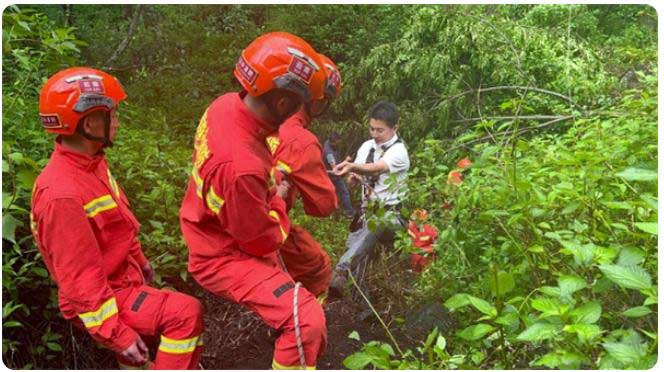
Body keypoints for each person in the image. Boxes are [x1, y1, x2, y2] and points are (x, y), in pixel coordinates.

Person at [31, 67, 204, 369]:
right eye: (112, 114)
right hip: (101, 296)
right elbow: (80, 281)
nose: (118, 122)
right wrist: (117, 334)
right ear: (89, 122)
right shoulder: (61, 195)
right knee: (185, 313)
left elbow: (117, 224)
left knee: (143, 351)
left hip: (119, 279)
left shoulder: (91, 164)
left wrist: (140, 259)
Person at [179, 32, 328, 370]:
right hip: (222, 254)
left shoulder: (224, 106)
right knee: (307, 320)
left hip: (210, 227)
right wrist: (279, 199)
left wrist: (268, 181)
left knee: (299, 285)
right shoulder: (240, 167)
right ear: (282, 102)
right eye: (298, 104)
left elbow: (245, 171)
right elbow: (260, 240)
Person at [267, 54, 344, 304]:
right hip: (265, 224)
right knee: (318, 267)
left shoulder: (253, 118)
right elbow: (323, 206)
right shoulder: (302, 141)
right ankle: (307, 322)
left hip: (219, 224)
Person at [328, 101, 410, 299]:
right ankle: (353, 300)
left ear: (394, 128)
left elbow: (377, 167)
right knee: (359, 262)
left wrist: (353, 167)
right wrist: (352, 178)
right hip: (367, 214)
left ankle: (341, 271)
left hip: (392, 217)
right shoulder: (367, 146)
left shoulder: (399, 152)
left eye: (380, 130)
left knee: (378, 222)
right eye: (372, 128)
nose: (374, 134)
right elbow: (357, 175)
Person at [323, 132, 355, 217]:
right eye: (338, 142)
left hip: (332, 175)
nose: (339, 144)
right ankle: (350, 212)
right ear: (334, 142)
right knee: (344, 192)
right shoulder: (329, 153)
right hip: (333, 176)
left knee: (334, 193)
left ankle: (335, 211)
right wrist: (346, 161)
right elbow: (334, 168)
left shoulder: (328, 143)